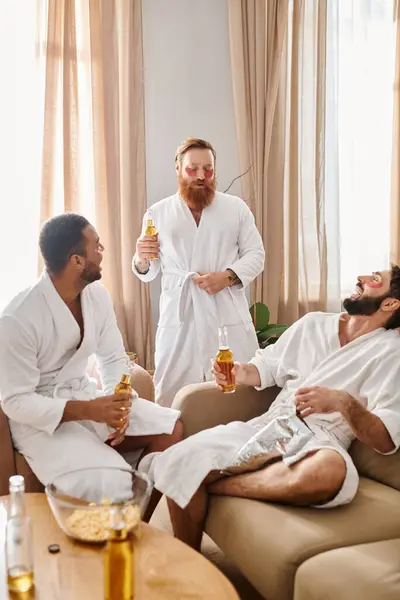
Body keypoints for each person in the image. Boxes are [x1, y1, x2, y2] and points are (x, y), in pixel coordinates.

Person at [140, 267, 400, 549]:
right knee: (183, 457)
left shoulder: (392, 352)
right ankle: (187, 559)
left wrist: (343, 402)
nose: (360, 277)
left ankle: (217, 484)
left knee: (329, 471)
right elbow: (267, 367)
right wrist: (240, 372)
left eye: (375, 279)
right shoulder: (314, 324)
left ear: (390, 303)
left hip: (321, 439)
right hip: (271, 423)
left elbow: (385, 441)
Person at [0, 213, 183, 505]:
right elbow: (15, 401)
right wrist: (89, 410)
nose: (102, 252)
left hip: (89, 399)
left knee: (170, 428)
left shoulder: (96, 296)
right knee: (114, 483)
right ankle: (119, 502)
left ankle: (136, 522)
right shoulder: (17, 317)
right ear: (76, 261)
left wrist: (118, 403)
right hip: (42, 424)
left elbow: (112, 358)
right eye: (96, 247)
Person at [132, 138, 265, 407]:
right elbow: (149, 270)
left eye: (208, 169)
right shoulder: (157, 212)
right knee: (173, 395)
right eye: (193, 169)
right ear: (179, 169)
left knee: (236, 396)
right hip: (180, 318)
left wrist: (227, 276)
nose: (201, 176)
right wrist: (141, 257)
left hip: (224, 309)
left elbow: (256, 254)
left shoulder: (235, 208)